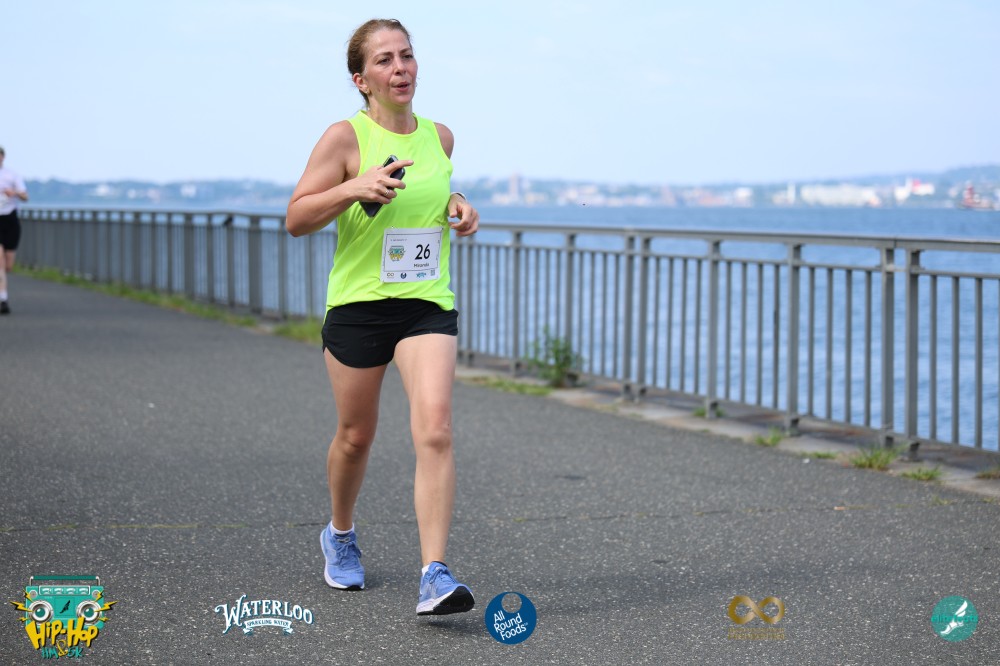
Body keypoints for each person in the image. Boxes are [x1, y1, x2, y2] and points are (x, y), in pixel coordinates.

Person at [285, 18, 480, 616]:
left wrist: (457, 203)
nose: (401, 69)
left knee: (436, 429)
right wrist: (354, 187)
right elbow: (296, 217)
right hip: (359, 305)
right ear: (361, 79)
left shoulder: (440, 137)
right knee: (355, 436)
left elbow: (431, 190)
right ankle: (340, 533)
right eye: (385, 61)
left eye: (407, 56)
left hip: (425, 302)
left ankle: (434, 574)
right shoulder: (344, 138)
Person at [0, 146, 29, 315]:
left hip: (10, 219)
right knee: (0, 262)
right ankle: (3, 299)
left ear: (3, 157)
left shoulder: (12, 175)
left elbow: (25, 196)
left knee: (8, 266)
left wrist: (15, 193)